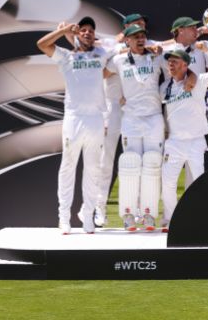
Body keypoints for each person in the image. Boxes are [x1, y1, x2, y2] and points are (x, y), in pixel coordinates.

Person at [37, 17, 109, 234]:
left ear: (94, 35)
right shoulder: (66, 57)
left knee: (93, 169)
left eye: (90, 31)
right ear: (76, 34)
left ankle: (88, 216)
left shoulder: (102, 54)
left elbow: (118, 45)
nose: (87, 33)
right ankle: (64, 217)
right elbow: (42, 45)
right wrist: (64, 31)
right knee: (68, 167)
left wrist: (74, 35)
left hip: (95, 119)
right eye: (83, 30)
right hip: (74, 118)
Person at [104, 24, 170, 231]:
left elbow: (177, 53)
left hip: (153, 117)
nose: (140, 39)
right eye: (135, 37)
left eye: (143, 36)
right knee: (130, 165)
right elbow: (100, 75)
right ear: (128, 41)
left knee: (152, 164)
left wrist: (160, 50)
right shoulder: (118, 60)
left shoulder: (156, 57)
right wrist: (115, 97)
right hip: (131, 118)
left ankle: (149, 214)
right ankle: (129, 214)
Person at [160, 49, 208, 230]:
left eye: (175, 61)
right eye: (169, 61)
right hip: (174, 142)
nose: (170, 64)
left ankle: (205, 217)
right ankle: (171, 218)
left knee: (201, 181)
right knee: (167, 182)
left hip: (196, 141)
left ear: (185, 65)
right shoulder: (164, 88)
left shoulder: (198, 81)